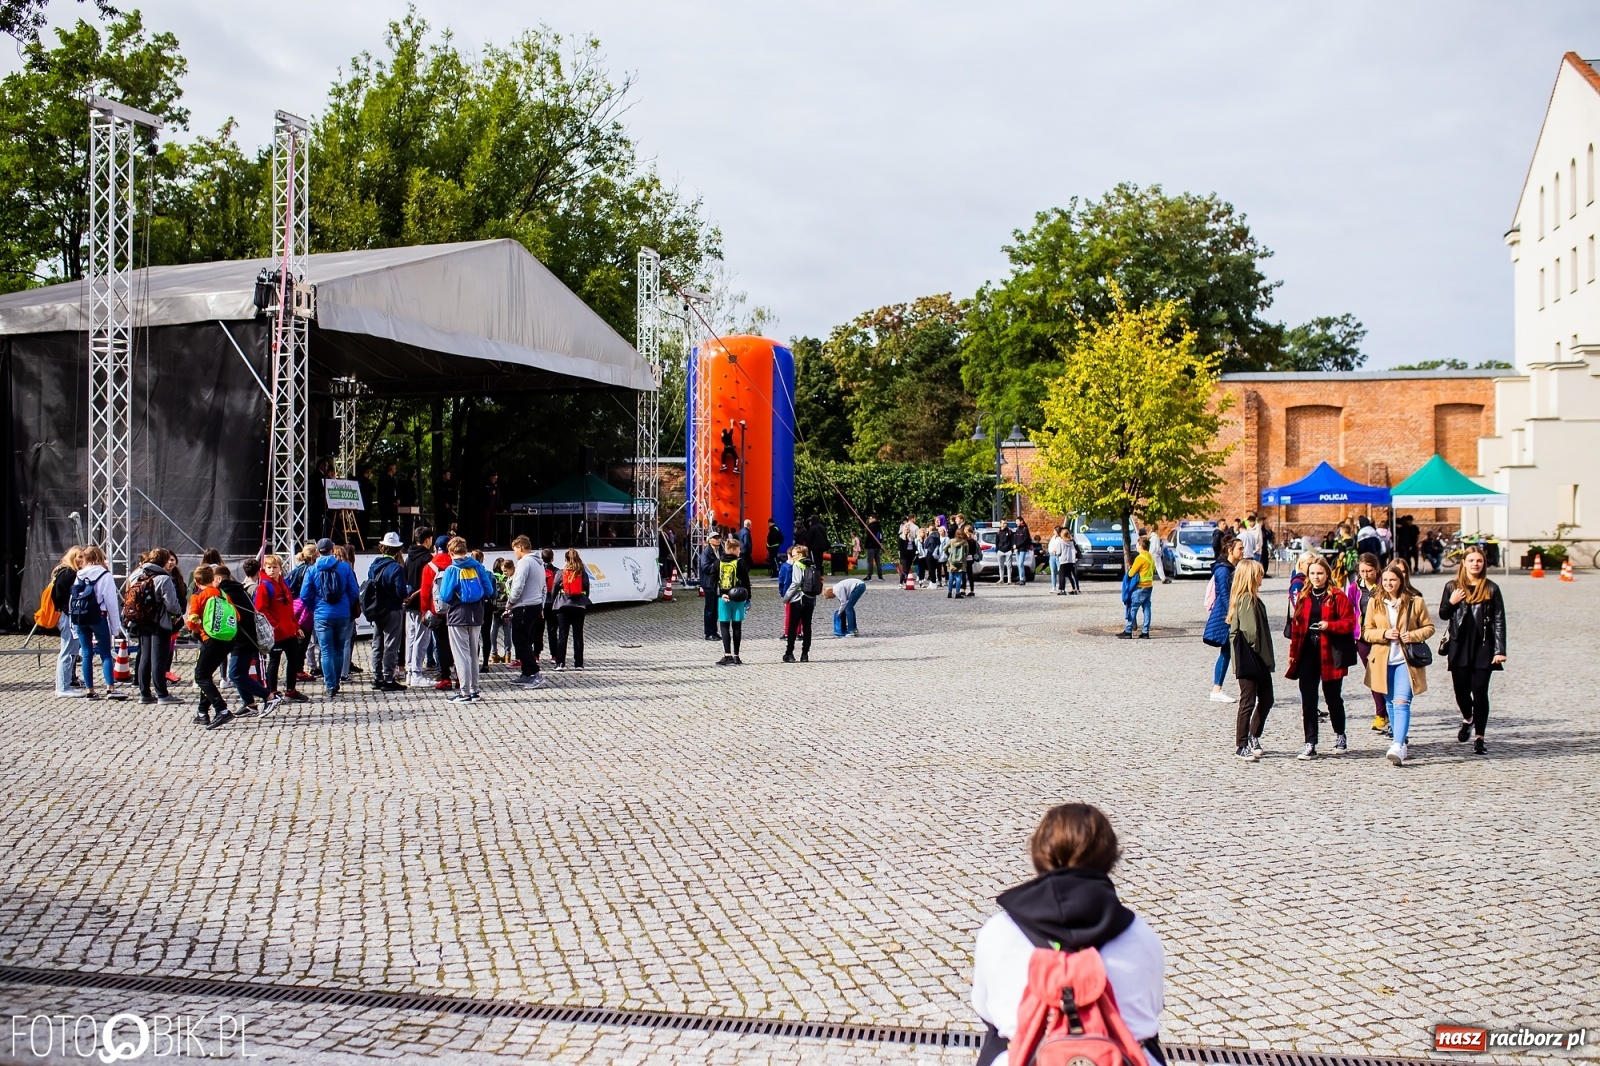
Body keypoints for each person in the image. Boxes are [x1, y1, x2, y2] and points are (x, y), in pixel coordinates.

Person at [971, 803, 1165, 1066]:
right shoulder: (1142, 936)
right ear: (1110, 859)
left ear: (1039, 853)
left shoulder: (998, 932)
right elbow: (1148, 1018)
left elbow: (987, 1011)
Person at [1362, 562, 1436, 767]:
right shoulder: (1374, 603)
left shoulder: (1415, 601)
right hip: (1383, 660)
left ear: (1401, 580)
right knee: (1390, 703)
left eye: (1392, 580)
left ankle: (1396, 744)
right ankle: (1401, 742)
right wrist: (1384, 634)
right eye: (1385, 580)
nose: (1388, 583)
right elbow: (1366, 632)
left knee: (1402, 702)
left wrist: (1411, 635)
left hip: (1406, 660)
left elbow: (1429, 627)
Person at [1285, 555, 1357, 759]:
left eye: (1320, 573)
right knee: (1308, 699)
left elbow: (1350, 623)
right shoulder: (1304, 596)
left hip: (1330, 651)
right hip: (1307, 651)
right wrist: (1292, 654)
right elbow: (1297, 628)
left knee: (1333, 697)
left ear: (1327, 574)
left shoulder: (1337, 596)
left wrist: (1330, 626)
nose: (1316, 577)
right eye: (1313, 573)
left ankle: (1340, 735)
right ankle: (1310, 742)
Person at [1439, 545, 1506, 756]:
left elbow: (1499, 621)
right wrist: (1452, 602)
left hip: (1483, 647)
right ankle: (1468, 718)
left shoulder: (1491, 588)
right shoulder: (1452, 587)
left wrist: (1499, 650)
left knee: (1479, 691)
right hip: (1459, 646)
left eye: (1479, 561)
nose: (1475, 564)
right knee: (1461, 691)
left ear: (1483, 563)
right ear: (1464, 563)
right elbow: (1442, 614)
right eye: (1471, 561)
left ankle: (1479, 738)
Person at [298, 538, 361, 699]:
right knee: (339, 649)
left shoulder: (312, 570)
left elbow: (304, 595)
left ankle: (330, 685)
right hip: (342, 614)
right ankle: (337, 681)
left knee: (326, 651)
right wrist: (346, 605)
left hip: (322, 614)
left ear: (318, 551)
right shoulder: (345, 567)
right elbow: (354, 591)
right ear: (332, 549)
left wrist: (315, 608)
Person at [433, 537, 492, 701]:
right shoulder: (478, 566)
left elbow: (444, 595)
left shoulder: (452, 569)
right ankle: (474, 691)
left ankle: (464, 692)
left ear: (451, 552)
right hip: (477, 614)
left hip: (458, 615)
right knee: (473, 653)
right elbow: (488, 590)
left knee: (461, 654)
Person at [124, 548, 183, 705]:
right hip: (159, 623)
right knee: (158, 658)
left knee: (145, 657)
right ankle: (162, 694)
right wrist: (178, 613)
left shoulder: (139, 575)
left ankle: (145, 693)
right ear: (164, 561)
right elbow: (171, 605)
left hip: (142, 621)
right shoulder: (164, 579)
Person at [1228, 559, 1273, 761]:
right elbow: (1251, 632)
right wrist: (1264, 656)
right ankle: (1242, 744)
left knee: (1267, 699)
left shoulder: (1251, 598)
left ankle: (1254, 735)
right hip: (1251, 658)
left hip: (1257, 657)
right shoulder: (1247, 599)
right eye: (1259, 574)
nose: (1262, 577)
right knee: (1248, 701)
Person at [69, 545, 125, 701]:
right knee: (106, 654)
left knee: (86, 654)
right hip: (98, 616)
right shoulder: (105, 575)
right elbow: (111, 602)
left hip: (81, 618)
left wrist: (73, 625)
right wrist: (115, 628)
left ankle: (90, 690)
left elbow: (72, 600)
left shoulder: (79, 574)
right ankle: (110, 688)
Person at [215, 564, 272, 715]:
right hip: (244, 637)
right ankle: (250, 704)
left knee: (236, 674)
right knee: (240, 672)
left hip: (243, 638)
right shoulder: (237, 589)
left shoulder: (226, 593)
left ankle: (269, 696)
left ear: (219, 578)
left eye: (212, 580)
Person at [1345, 553, 1389, 736]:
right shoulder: (1355, 588)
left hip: (1383, 636)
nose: (1365, 574)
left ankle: (1392, 711)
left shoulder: (1385, 585)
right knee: (1373, 675)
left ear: (1376, 569)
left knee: (1387, 674)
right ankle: (1381, 714)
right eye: (1362, 571)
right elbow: (1350, 609)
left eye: (1369, 571)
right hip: (1362, 637)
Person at [184, 566, 234, 729]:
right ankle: (202, 712)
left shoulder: (198, 596)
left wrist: (197, 627)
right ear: (213, 578)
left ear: (197, 582)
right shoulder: (222, 594)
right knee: (207, 675)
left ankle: (222, 709)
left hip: (209, 639)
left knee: (200, 676)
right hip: (227, 639)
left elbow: (192, 621)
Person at [255, 553, 307, 703]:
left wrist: (296, 626)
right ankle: (272, 691)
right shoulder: (264, 586)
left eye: (274, 567)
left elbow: (289, 608)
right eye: (268, 567)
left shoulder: (283, 584)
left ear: (280, 568)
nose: (271, 570)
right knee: (274, 661)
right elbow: (261, 609)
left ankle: (290, 690)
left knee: (293, 660)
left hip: (289, 630)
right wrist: (274, 625)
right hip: (275, 633)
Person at [366, 532, 410, 691]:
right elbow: (401, 592)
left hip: (377, 609)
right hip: (392, 609)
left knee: (377, 644)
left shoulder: (374, 565)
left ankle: (377, 677)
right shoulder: (396, 568)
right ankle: (388, 678)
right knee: (391, 645)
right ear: (397, 550)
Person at [1204, 535, 1243, 703]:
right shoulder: (1223, 570)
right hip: (1225, 615)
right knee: (1232, 651)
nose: (1243, 551)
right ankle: (1218, 690)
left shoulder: (1231, 568)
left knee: (1229, 652)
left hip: (1230, 614)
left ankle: (1218, 689)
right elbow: (1225, 595)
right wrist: (1232, 615)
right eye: (1240, 548)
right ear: (1230, 550)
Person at [506, 535, 548, 688]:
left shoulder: (524, 562)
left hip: (524, 606)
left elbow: (518, 586)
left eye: (515, 549)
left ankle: (535, 673)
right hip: (535, 605)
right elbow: (544, 588)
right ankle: (526, 673)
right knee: (527, 640)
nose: (515, 553)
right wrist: (541, 605)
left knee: (520, 640)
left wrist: (510, 603)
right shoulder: (539, 564)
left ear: (521, 547)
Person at [418, 535, 457, 690]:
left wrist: (424, 611)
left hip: (437, 612)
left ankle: (445, 677)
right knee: (457, 645)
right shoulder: (455, 564)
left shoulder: (430, 567)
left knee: (441, 644)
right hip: (455, 611)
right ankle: (460, 677)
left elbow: (425, 593)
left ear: (436, 549)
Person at [48, 546, 85, 697]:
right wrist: (67, 609)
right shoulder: (69, 573)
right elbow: (59, 595)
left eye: (83, 557)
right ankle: (62, 687)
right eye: (79, 557)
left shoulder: (66, 571)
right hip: (67, 615)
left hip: (67, 615)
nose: (82, 560)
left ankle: (67, 683)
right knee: (67, 651)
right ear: (72, 557)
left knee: (72, 650)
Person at [402, 526, 436, 688]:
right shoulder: (428, 558)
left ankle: (409, 671)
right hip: (422, 603)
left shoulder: (409, 557)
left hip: (409, 604)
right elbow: (429, 583)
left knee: (411, 637)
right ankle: (416, 672)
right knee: (422, 639)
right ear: (427, 540)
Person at [552, 547, 593, 670]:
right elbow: (587, 589)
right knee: (578, 635)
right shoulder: (582, 573)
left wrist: (555, 602)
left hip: (563, 606)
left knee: (563, 635)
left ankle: (560, 663)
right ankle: (578, 664)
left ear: (565, 559)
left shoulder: (560, 572)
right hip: (579, 606)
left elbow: (554, 589)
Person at [714, 535, 751, 665]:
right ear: (733, 549)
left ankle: (727, 654)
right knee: (736, 626)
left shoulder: (719, 562)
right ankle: (736, 656)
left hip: (723, 598)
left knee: (724, 626)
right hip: (738, 598)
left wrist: (720, 593)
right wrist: (748, 598)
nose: (740, 551)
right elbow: (746, 581)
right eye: (738, 549)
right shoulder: (739, 562)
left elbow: (712, 580)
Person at [781, 545, 819, 663]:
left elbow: (796, 582)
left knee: (793, 627)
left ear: (800, 555)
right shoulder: (812, 564)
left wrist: (786, 597)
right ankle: (805, 654)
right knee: (807, 627)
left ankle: (789, 653)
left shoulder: (798, 564)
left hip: (798, 599)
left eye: (794, 555)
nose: (793, 558)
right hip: (810, 599)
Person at [1119, 536, 1155, 639]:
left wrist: (1131, 568)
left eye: (1137, 545)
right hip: (1149, 586)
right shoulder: (1150, 557)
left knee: (1133, 608)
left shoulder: (1140, 558)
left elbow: (1131, 573)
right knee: (1147, 609)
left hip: (1140, 587)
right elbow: (1153, 570)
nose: (1136, 546)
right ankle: (1145, 632)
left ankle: (1128, 630)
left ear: (1141, 545)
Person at [698, 536, 722, 641]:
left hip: (717, 583)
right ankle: (708, 633)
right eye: (715, 538)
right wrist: (717, 566)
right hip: (709, 584)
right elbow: (705, 567)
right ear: (710, 540)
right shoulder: (706, 553)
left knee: (716, 609)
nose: (718, 540)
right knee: (709, 609)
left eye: (719, 538)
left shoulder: (720, 550)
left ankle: (714, 631)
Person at [481, 472, 504, 547]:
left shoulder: (496, 486)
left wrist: (502, 508)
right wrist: (490, 493)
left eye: (496, 478)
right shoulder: (486, 485)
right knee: (486, 524)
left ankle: (491, 540)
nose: (495, 479)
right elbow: (483, 496)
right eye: (494, 478)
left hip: (494, 508)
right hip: (487, 507)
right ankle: (485, 541)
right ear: (490, 477)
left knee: (492, 524)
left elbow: (499, 498)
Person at [378, 462, 400, 537]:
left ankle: (395, 538)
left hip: (392, 504)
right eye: (394, 468)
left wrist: (396, 499)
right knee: (385, 521)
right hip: (385, 503)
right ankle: (383, 538)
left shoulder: (393, 479)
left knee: (394, 522)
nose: (395, 470)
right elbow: (386, 492)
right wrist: (393, 500)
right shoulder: (384, 478)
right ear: (390, 468)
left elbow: (394, 491)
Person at [945, 531, 968, 598]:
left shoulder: (951, 541)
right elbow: (967, 552)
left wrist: (949, 555)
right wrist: (963, 558)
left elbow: (944, 548)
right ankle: (957, 593)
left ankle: (949, 593)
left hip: (952, 561)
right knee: (959, 577)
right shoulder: (965, 542)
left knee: (951, 577)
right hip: (961, 562)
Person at [435, 469, 459, 534]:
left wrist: (452, 504)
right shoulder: (438, 484)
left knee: (446, 526)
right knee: (440, 526)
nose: (449, 476)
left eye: (449, 475)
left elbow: (453, 495)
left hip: (448, 510)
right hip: (440, 510)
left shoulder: (450, 485)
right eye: (448, 474)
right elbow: (437, 496)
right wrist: (443, 503)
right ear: (444, 475)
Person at [1013, 520, 1033, 584]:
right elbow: (1015, 538)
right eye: (1016, 521)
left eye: (1017, 521)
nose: (1016, 522)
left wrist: (1017, 546)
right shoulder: (1017, 529)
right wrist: (1014, 545)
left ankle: (1022, 579)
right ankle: (1022, 578)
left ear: (1021, 521)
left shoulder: (1025, 529)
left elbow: (1025, 540)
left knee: (1020, 564)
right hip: (1017, 549)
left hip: (1022, 549)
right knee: (1019, 565)